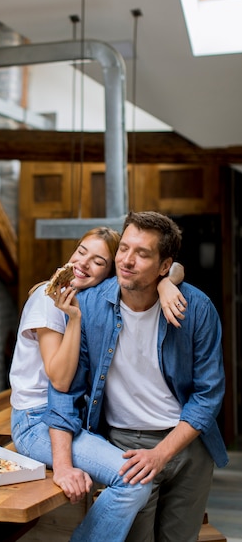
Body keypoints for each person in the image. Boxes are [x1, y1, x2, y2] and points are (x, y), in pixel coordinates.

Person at [43, 211, 228, 542]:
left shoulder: (197, 309)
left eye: (142, 253)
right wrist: (62, 464)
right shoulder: (90, 305)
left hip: (188, 447)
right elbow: (66, 388)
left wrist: (162, 453)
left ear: (164, 266)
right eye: (123, 248)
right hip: (126, 448)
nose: (126, 260)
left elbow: (208, 394)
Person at [9, 226, 186, 542]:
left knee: (137, 481)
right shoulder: (48, 299)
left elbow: (175, 266)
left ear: (110, 271)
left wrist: (165, 284)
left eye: (98, 261)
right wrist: (74, 320)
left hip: (73, 418)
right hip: (36, 421)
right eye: (81, 252)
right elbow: (60, 380)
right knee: (133, 482)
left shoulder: (92, 299)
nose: (83, 264)